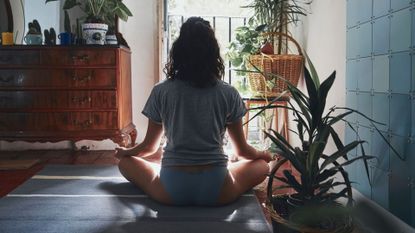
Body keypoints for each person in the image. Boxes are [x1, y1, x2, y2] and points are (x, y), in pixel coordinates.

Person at [115, 17, 272, 206]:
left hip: (170, 190)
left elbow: (149, 147)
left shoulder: (161, 90)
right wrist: (263, 154)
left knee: (125, 163)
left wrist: (126, 152)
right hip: (217, 190)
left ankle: (167, 161)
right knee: (262, 166)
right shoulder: (228, 92)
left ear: (179, 51)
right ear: (213, 53)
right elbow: (243, 151)